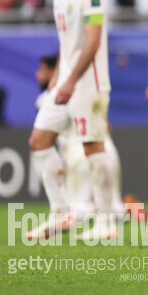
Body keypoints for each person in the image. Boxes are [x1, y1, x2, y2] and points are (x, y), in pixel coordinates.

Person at [27, 0, 116, 241]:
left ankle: (106, 222)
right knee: (39, 140)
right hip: (65, 80)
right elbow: (68, 41)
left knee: (93, 147)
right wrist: (57, 76)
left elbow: (92, 42)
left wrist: (70, 79)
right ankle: (61, 213)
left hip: (89, 83)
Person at [34, 55, 130, 222]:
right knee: (112, 207)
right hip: (107, 151)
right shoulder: (88, 92)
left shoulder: (45, 100)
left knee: (75, 210)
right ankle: (125, 210)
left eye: (42, 70)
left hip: (79, 155)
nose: (38, 75)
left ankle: (96, 210)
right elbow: (108, 127)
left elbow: (45, 138)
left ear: (54, 72)